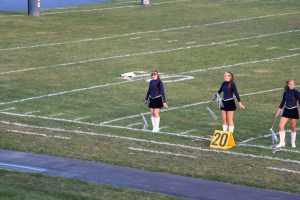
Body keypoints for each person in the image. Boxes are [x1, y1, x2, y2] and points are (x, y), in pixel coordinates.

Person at [275, 79, 300, 148]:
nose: (292, 85)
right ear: (288, 85)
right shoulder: (285, 92)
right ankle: (282, 143)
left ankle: (293, 142)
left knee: (293, 127)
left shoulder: (296, 92)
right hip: (286, 110)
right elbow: (282, 102)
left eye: (293, 84)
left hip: (293, 110)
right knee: (280, 126)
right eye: (290, 84)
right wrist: (278, 112)